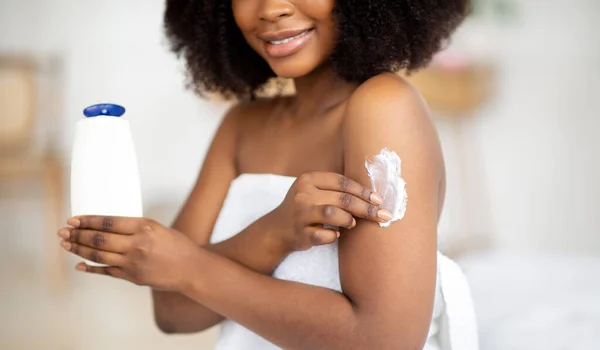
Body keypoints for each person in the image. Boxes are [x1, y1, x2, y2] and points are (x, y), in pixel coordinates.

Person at [57, 0, 478, 349]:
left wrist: (187, 265)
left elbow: (383, 340)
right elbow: (172, 312)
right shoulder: (242, 126)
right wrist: (272, 233)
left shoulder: (383, 106)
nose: (271, 9)